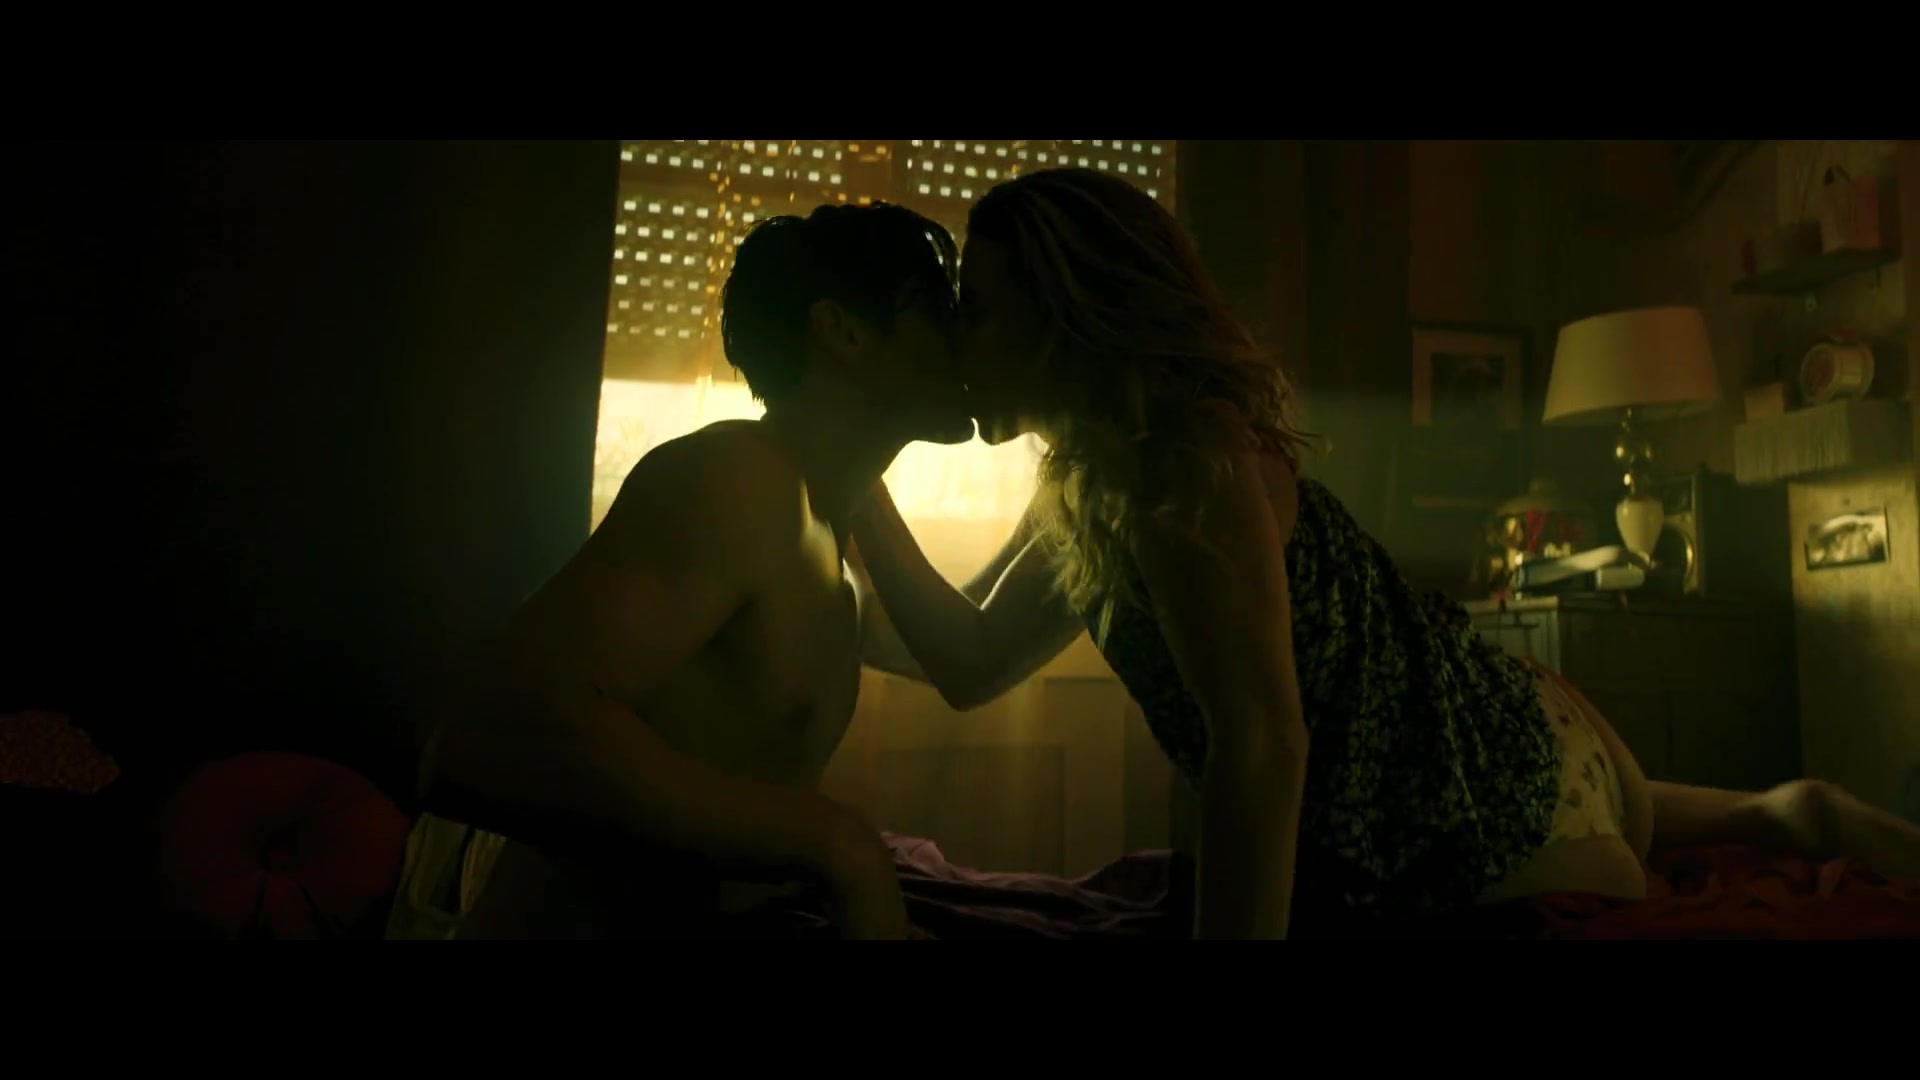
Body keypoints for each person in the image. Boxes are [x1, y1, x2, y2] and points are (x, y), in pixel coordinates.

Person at [851, 167, 1920, 939]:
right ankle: (1805, 811)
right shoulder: (1090, 480)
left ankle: (1804, 813)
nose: (959, 342)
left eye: (980, 312)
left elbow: (1262, 746)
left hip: (1504, 772)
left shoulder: (1179, 462)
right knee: (1765, 816)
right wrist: (852, 470)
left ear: (1065, 317)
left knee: (1661, 836)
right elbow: (965, 657)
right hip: (1510, 721)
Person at [410, 201, 975, 939]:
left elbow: (964, 659)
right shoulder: (740, 479)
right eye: (937, 309)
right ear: (842, 332)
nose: (965, 334)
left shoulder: (834, 533)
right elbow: (482, 740)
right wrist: (830, 841)